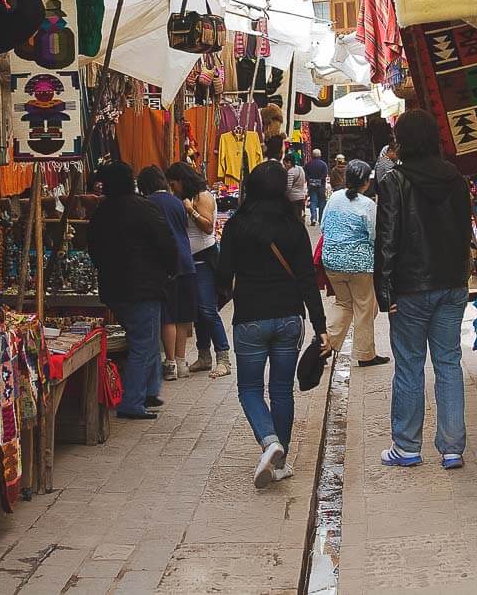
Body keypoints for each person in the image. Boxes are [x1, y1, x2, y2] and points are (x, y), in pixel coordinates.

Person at [216, 161, 330, 488]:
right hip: (290, 318)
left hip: (250, 318)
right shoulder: (293, 226)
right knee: (282, 390)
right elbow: (308, 280)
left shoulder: (238, 225)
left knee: (250, 389)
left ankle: (269, 441)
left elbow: (222, 276)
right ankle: (280, 462)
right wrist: (321, 326)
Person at [375, 109, 472, 470]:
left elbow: (387, 241)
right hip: (452, 286)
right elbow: (463, 235)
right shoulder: (456, 180)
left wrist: (385, 293)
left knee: (410, 366)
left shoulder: (394, 182)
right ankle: (451, 448)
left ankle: (406, 446)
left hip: (410, 289)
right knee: (448, 363)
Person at [90, 162, 178, 420]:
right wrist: (170, 270)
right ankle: (133, 401)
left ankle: (149, 391)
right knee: (143, 342)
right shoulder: (143, 208)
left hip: (115, 287)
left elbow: (93, 249)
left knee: (147, 340)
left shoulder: (101, 213)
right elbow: (166, 242)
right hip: (144, 287)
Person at [320, 159, 388, 367]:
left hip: (331, 261)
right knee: (364, 307)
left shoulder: (334, 197)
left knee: (343, 304)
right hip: (359, 264)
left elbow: (323, 227)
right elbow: (374, 235)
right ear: (366, 183)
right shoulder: (368, 205)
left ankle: (323, 346)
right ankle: (365, 354)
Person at [165, 162, 231, 377]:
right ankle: (204, 356)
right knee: (197, 311)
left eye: (174, 184)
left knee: (207, 310)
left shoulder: (201, 197)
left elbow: (208, 225)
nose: (172, 188)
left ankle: (223, 357)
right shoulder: (179, 198)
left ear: (182, 181)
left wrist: (190, 211)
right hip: (188, 261)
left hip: (204, 259)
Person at [138, 167, 197, 381]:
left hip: (165, 265)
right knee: (183, 317)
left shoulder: (147, 204)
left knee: (168, 317)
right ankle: (182, 362)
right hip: (186, 262)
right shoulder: (178, 203)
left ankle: (170, 362)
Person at [305, 149, 329, 224]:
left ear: (312, 155)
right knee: (322, 202)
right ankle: (321, 219)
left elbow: (305, 174)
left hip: (311, 185)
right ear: (320, 155)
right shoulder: (323, 164)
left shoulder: (308, 164)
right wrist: (320, 180)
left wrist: (310, 180)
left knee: (313, 201)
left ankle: (313, 218)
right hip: (321, 185)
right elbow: (325, 175)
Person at [284, 153, 308, 223]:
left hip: (293, 198)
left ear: (289, 162)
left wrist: (285, 196)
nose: (285, 166)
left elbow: (288, 187)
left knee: (294, 218)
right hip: (301, 196)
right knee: (299, 216)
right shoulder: (300, 168)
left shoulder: (290, 171)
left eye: (285, 164)